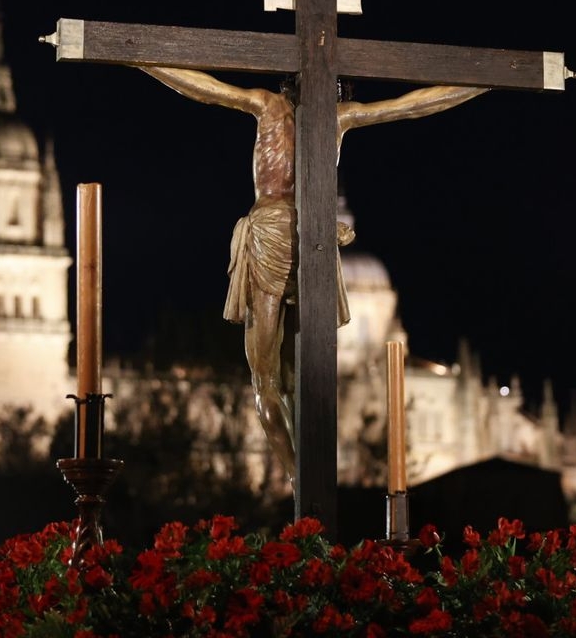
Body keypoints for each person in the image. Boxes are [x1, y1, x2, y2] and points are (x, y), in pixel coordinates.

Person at [137, 66, 489, 482]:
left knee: (266, 377)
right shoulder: (339, 116)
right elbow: (412, 105)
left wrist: (143, 61)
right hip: (314, 239)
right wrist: (479, 83)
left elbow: (205, 89)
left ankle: (296, 474)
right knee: (291, 373)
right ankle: (304, 473)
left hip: (274, 233)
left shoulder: (268, 105)